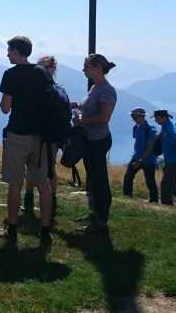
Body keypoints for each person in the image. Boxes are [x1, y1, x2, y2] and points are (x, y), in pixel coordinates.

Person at [0, 36, 53, 245]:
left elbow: (5, 107)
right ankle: (46, 229)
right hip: (40, 135)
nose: (7, 54)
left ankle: (12, 228)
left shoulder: (10, 74)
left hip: (18, 133)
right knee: (43, 184)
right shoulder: (42, 72)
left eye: (9, 50)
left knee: (15, 183)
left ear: (17, 51)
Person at [73, 54, 117, 233]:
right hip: (90, 140)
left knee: (99, 179)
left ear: (97, 67)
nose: (83, 70)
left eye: (86, 66)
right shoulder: (95, 87)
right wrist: (73, 105)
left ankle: (101, 219)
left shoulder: (106, 90)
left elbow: (103, 118)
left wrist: (81, 122)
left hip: (98, 141)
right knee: (92, 177)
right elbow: (87, 106)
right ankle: (94, 213)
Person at [23, 55, 71, 217]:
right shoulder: (60, 89)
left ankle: (28, 201)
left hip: (36, 134)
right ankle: (52, 202)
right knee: (50, 170)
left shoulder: (37, 88)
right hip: (53, 137)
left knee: (31, 166)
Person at [152, 110, 176, 207]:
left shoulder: (170, 127)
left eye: (156, 118)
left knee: (167, 183)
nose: (155, 120)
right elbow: (165, 134)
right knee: (168, 183)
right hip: (171, 160)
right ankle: (169, 203)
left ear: (163, 117)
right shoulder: (166, 126)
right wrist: (158, 136)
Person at [123, 107, 158, 203]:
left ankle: (154, 201)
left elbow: (149, 147)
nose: (132, 118)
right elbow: (138, 143)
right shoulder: (135, 128)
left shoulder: (151, 129)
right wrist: (137, 157)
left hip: (148, 160)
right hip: (136, 157)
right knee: (128, 176)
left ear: (141, 116)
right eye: (132, 115)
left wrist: (140, 160)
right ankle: (127, 197)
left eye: (134, 116)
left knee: (150, 181)